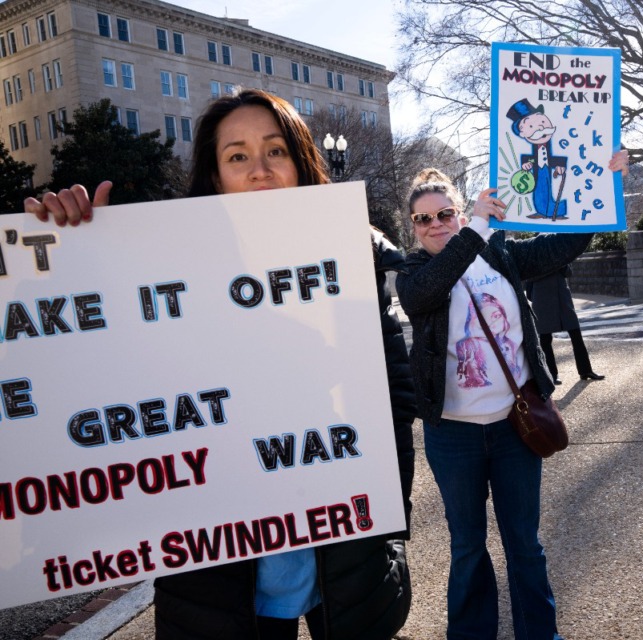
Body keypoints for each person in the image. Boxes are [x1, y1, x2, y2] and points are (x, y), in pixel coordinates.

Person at [25, 89, 416, 639]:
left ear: (301, 165)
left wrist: (388, 528)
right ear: (215, 178)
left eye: (275, 151)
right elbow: (107, 391)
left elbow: (394, 400)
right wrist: (74, 262)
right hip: (221, 580)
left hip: (344, 560)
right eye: (237, 156)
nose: (259, 170)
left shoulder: (351, 261)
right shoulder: (164, 276)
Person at [397, 154, 626, 640]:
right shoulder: (413, 273)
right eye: (424, 219)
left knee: (524, 542)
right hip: (452, 435)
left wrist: (606, 189)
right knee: (467, 546)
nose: (436, 224)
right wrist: (475, 228)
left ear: (458, 212)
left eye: (445, 214)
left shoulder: (497, 252)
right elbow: (425, 296)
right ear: (413, 228)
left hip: (513, 427)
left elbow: (558, 249)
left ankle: (541, 635)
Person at [525, 264, 604, 384]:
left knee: (575, 333)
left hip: (561, 297)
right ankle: (551, 374)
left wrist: (559, 263)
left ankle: (585, 370)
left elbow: (568, 272)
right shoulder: (534, 251)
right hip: (542, 300)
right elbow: (529, 279)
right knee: (545, 339)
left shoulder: (557, 251)